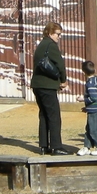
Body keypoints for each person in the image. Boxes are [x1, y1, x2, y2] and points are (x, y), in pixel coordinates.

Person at [31, 22, 67, 155]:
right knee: (54, 116)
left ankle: (43, 146)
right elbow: (60, 64)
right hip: (47, 86)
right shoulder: (51, 46)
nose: (59, 37)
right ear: (50, 33)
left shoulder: (41, 45)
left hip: (37, 85)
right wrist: (63, 80)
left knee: (44, 115)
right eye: (58, 34)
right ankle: (56, 147)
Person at [77, 61, 97, 156]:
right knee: (89, 128)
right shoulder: (96, 80)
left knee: (94, 129)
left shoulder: (90, 84)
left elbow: (94, 98)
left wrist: (83, 99)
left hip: (94, 109)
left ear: (83, 72)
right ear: (95, 70)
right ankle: (87, 146)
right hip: (94, 108)